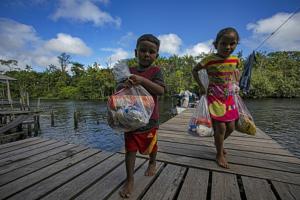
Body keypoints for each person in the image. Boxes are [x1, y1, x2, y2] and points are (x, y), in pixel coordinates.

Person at [117, 34, 165, 198]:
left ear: (156, 56)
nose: (146, 54)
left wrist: (142, 81)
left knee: (151, 145)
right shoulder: (129, 71)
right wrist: (124, 84)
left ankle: (152, 162)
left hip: (150, 119)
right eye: (143, 50)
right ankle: (129, 179)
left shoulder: (156, 71)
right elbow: (118, 89)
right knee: (130, 149)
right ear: (135, 52)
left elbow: (160, 90)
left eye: (151, 52)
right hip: (131, 119)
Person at [192, 27, 240, 169]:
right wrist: (201, 86)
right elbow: (194, 70)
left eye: (232, 44)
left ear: (236, 44)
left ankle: (218, 142)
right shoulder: (209, 60)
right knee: (221, 127)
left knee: (231, 127)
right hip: (215, 96)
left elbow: (235, 72)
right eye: (223, 43)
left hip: (229, 96)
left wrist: (235, 84)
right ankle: (219, 154)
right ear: (216, 44)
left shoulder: (235, 60)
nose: (228, 47)